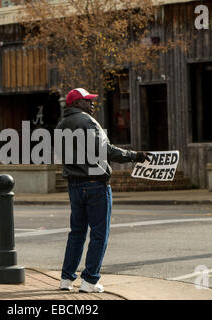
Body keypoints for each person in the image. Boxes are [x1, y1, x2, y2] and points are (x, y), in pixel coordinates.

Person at [56, 88, 151, 293]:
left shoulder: (61, 124)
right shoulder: (88, 122)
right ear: (77, 103)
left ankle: (66, 279)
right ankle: (89, 281)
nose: (92, 105)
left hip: (74, 184)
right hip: (95, 185)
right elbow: (107, 150)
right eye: (88, 101)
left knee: (77, 233)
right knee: (99, 234)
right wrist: (135, 155)